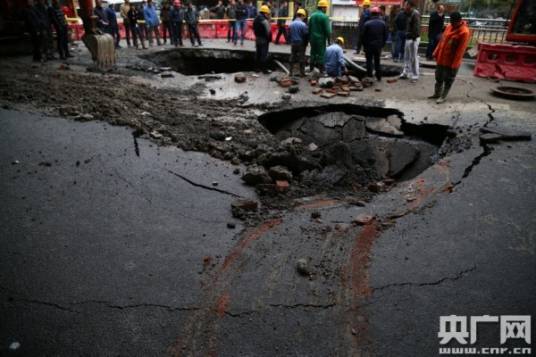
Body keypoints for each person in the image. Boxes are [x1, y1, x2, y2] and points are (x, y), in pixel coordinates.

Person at [430, 11, 470, 104]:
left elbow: (460, 51)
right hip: (441, 58)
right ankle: (437, 93)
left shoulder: (464, 32)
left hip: (451, 61)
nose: (451, 23)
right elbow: (442, 41)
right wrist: (435, 52)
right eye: (451, 21)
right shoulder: (449, 27)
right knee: (438, 77)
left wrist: (454, 65)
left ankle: (443, 96)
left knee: (448, 79)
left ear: (459, 21)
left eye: (453, 21)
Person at [362, 7, 387, 81]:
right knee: (377, 61)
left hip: (369, 46)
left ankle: (369, 77)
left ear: (371, 14)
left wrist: (364, 45)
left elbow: (362, 36)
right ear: (379, 14)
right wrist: (382, 44)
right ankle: (379, 77)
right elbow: (385, 35)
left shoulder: (367, 23)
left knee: (369, 61)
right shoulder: (383, 23)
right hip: (378, 46)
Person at [399, 0, 420, 83]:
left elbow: (416, 27)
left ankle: (415, 75)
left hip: (413, 38)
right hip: (408, 37)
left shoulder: (415, 14)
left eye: (405, 5)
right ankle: (405, 72)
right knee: (406, 56)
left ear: (410, 6)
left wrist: (413, 38)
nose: (404, 6)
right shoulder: (407, 13)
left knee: (413, 57)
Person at [308, 0, 331, 72]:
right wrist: (329, 41)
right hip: (320, 39)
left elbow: (309, 28)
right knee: (321, 54)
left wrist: (309, 38)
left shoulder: (312, 16)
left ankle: (311, 69)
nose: (326, 10)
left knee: (313, 53)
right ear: (323, 8)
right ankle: (321, 71)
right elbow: (328, 31)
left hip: (312, 39)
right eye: (326, 8)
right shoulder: (324, 17)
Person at [288, 8, 308, 76]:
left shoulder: (291, 24)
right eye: (304, 17)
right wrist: (306, 44)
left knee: (292, 57)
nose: (304, 18)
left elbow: (289, 34)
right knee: (301, 58)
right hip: (300, 43)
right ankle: (302, 73)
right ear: (302, 15)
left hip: (293, 43)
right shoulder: (303, 25)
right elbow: (305, 35)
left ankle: (290, 72)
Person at [253, 5, 272, 71]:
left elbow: (254, 28)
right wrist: (269, 39)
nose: (268, 15)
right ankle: (264, 69)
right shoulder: (264, 20)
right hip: (264, 39)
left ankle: (256, 68)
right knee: (264, 54)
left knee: (258, 54)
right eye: (268, 13)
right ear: (265, 13)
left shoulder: (256, 19)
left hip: (257, 39)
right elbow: (268, 31)